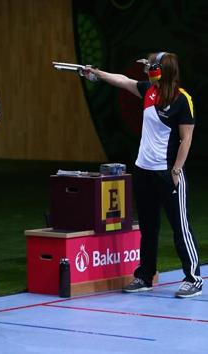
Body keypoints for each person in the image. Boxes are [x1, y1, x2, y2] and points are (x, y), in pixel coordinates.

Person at [85, 52, 202, 298]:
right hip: (143, 171)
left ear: (163, 70)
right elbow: (123, 81)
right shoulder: (149, 90)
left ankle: (193, 278)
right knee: (148, 228)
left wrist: (177, 170)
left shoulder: (182, 100)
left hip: (168, 174)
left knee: (181, 227)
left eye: (151, 66)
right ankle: (145, 276)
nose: (147, 69)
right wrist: (97, 73)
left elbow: (187, 138)